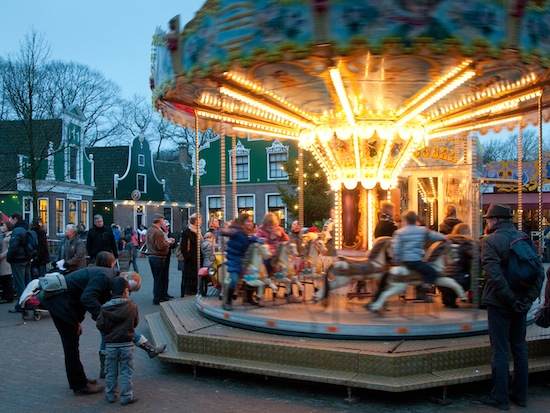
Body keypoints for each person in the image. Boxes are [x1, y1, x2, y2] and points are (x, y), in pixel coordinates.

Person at [480, 204, 544, 410]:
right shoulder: (523, 238)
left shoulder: (491, 241)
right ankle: (521, 395)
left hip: (500, 304)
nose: (487, 223)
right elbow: (539, 273)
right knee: (519, 348)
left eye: (488, 219)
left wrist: (510, 301)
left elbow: (494, 277)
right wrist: (526, 301)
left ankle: (499, 397)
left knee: (500, 349)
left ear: (495, 220)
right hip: (520, 304)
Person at [39, 252, 125, 395]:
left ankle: (79, 379)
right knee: (71, 344)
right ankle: (79, 385)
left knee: (72, 343)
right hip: (59, 302)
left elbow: (81, 297)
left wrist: (78, 321)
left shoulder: (106, 274)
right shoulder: (105, 277)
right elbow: (87, 299)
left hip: (63, 301)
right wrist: (102, 318)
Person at [96, 277, 139, 406]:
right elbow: (135, 323)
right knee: (126, 371)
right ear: (126, 291)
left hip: (110, 345)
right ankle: (126, 396)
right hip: (127, 344)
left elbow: (100, 325)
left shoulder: (105, 308)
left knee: (111, 372)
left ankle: (110, 395)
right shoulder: (131, 306)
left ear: (111, 292)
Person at [391, 210, 446, 302]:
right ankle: (423, 291)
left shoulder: (399, 232)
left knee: (422, 270)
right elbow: (434, 235)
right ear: (415, 220)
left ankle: (414, 291)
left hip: (404, 261)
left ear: (406, 221)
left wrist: (396, 259)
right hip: (416, 260)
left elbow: (396, 247)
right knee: (431, 272)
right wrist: (445, 238)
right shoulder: (422, 230)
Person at [220, 213, 261, 310]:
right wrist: (223, 231)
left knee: (253, 275)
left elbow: (250, 239)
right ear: (243, 222)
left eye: (251, 221)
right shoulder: (237, 231)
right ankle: (228, 301)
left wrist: (260, 240)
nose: (250, 223)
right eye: (248, 221)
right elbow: (230, 232)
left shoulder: (247, 234)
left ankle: (249, 297)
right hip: (235, 260)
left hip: (243, 260)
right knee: (234, 279)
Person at [439, 223, 474, 308]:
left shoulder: (445, 242)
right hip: (459, 280)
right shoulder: (466, 244)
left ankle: (446, 297)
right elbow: (476, 256)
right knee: (466, 275)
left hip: (441, 281)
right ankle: (452, 297)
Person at [6, 212, 33, 313]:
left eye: (10, 219)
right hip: (27, 258)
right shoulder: (26, 229)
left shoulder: (17, 231)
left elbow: (13, 246)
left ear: (15, 219)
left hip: (18, 260)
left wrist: (10, 258)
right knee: (27, 283)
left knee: (19, 283)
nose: (10, 221)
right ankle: (30, 303)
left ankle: (21, 305)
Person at [146, 214, 173, 305]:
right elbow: (160, 246)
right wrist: (168, 242)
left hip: (151, 256)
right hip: (159, 257)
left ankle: (158, 295)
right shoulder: (157, 232)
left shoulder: (149, 230)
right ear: (160, 221)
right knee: (159, 278)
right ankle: (157, 298)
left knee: (156, 278)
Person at [179, 213, 202, 297]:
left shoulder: (199, 232)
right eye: (200, 220)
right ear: (195, 221)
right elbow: (184, 247)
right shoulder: (187, 233)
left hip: (197, 260)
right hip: (191, 261)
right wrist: (188, 257)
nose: (201, 222)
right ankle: (187, 295)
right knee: (189, 279)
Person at [0, 221, 14, 304]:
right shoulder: (3, 235)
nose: (2, 226)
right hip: (3, 259)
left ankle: (8, 296)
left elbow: (9, 249)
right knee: (4, 277)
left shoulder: (10, 236)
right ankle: (6, 295)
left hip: (5, 260)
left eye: (4, 225)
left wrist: (1, 256)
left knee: (7, 277)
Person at [162, 220, 176, 299]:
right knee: (162, 275)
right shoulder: (161, 234)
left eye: (168, 226)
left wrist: (172, 242)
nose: (167, 228)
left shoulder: (170, 234)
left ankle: (165, 292)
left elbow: (173, 246)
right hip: (162, 256)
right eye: (166, 226)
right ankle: (162, 293)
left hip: (168, 255)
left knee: (166, 275)